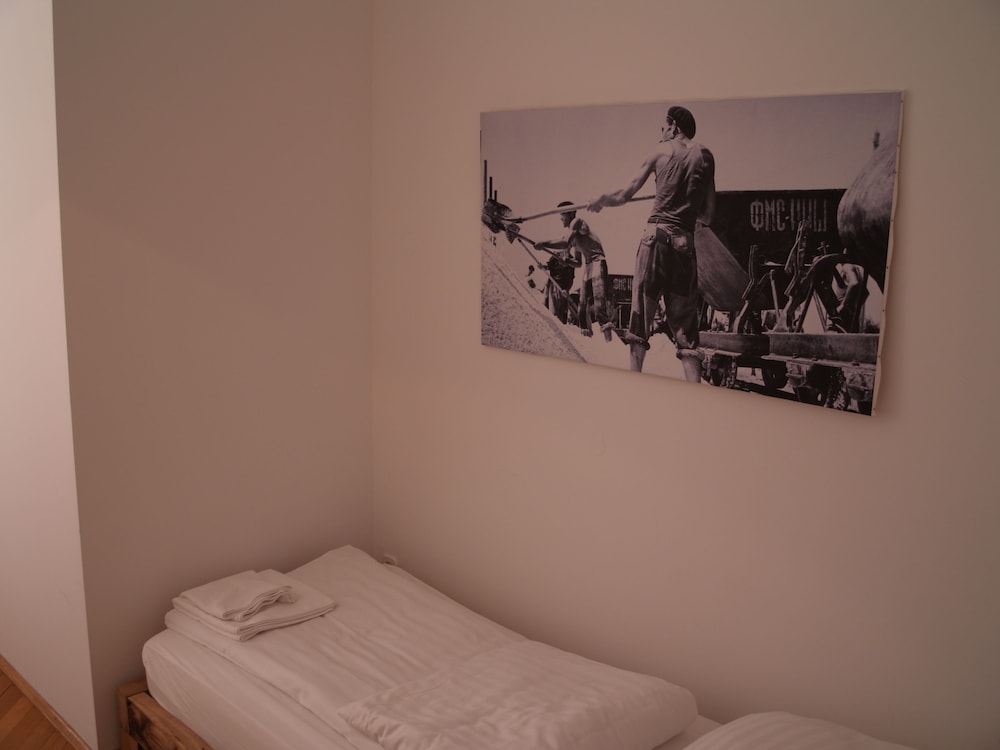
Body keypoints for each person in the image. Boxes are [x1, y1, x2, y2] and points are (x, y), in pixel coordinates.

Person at [588, 105, 716, 378]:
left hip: (655, 240)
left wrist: (601, 200)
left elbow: (624, 194)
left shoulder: (660, 151)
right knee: (687, 334)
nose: (661, 132)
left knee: (640, 322)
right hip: (684, 244)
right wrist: (686, 203)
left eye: (663, 127)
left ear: (674, 126)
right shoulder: (706, 156)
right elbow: (707, 215)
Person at [534, 202, 615, 341]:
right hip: (588, 265)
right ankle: (586, 337)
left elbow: (564, 242)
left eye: (562, 215)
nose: (560, 218)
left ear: (570, 213)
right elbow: (578, 263)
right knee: (582, 305)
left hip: (597, 261)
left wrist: (544, 243)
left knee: (599, 302)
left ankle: (609, 339)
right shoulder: (574, 238)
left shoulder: (578, 222)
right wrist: (567, 261)